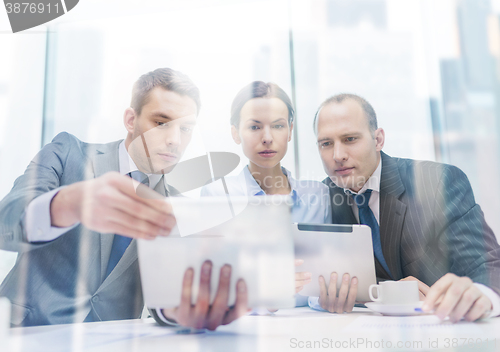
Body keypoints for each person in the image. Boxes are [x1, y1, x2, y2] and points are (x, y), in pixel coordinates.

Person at [0, 68, 248, 329]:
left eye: (185, 128)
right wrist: (68, 204)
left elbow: (163, 300)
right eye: (161, 123)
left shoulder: (178, 209)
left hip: (109, 342)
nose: (175, 140)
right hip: (23, 333)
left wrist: (180, 311)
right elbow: (4, 226)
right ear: (131, 120)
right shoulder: (67, 153)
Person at [312, 93, 500, 321]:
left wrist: (482, 295)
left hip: (446, 331)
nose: (338, 155)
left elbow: (488, 263)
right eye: (326, 143)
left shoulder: (438, 182)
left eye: (350, 139)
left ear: (378, 140)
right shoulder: (322, 197)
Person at [201, 81, 331, 298]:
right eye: (254, 127)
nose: (268, 138)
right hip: (247, 324)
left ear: (290, 131)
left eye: (278, 126)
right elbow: (211, 282)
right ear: (235, 133)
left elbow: (327, 276)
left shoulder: (318, 196)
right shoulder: (218, 196)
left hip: (311, 321)